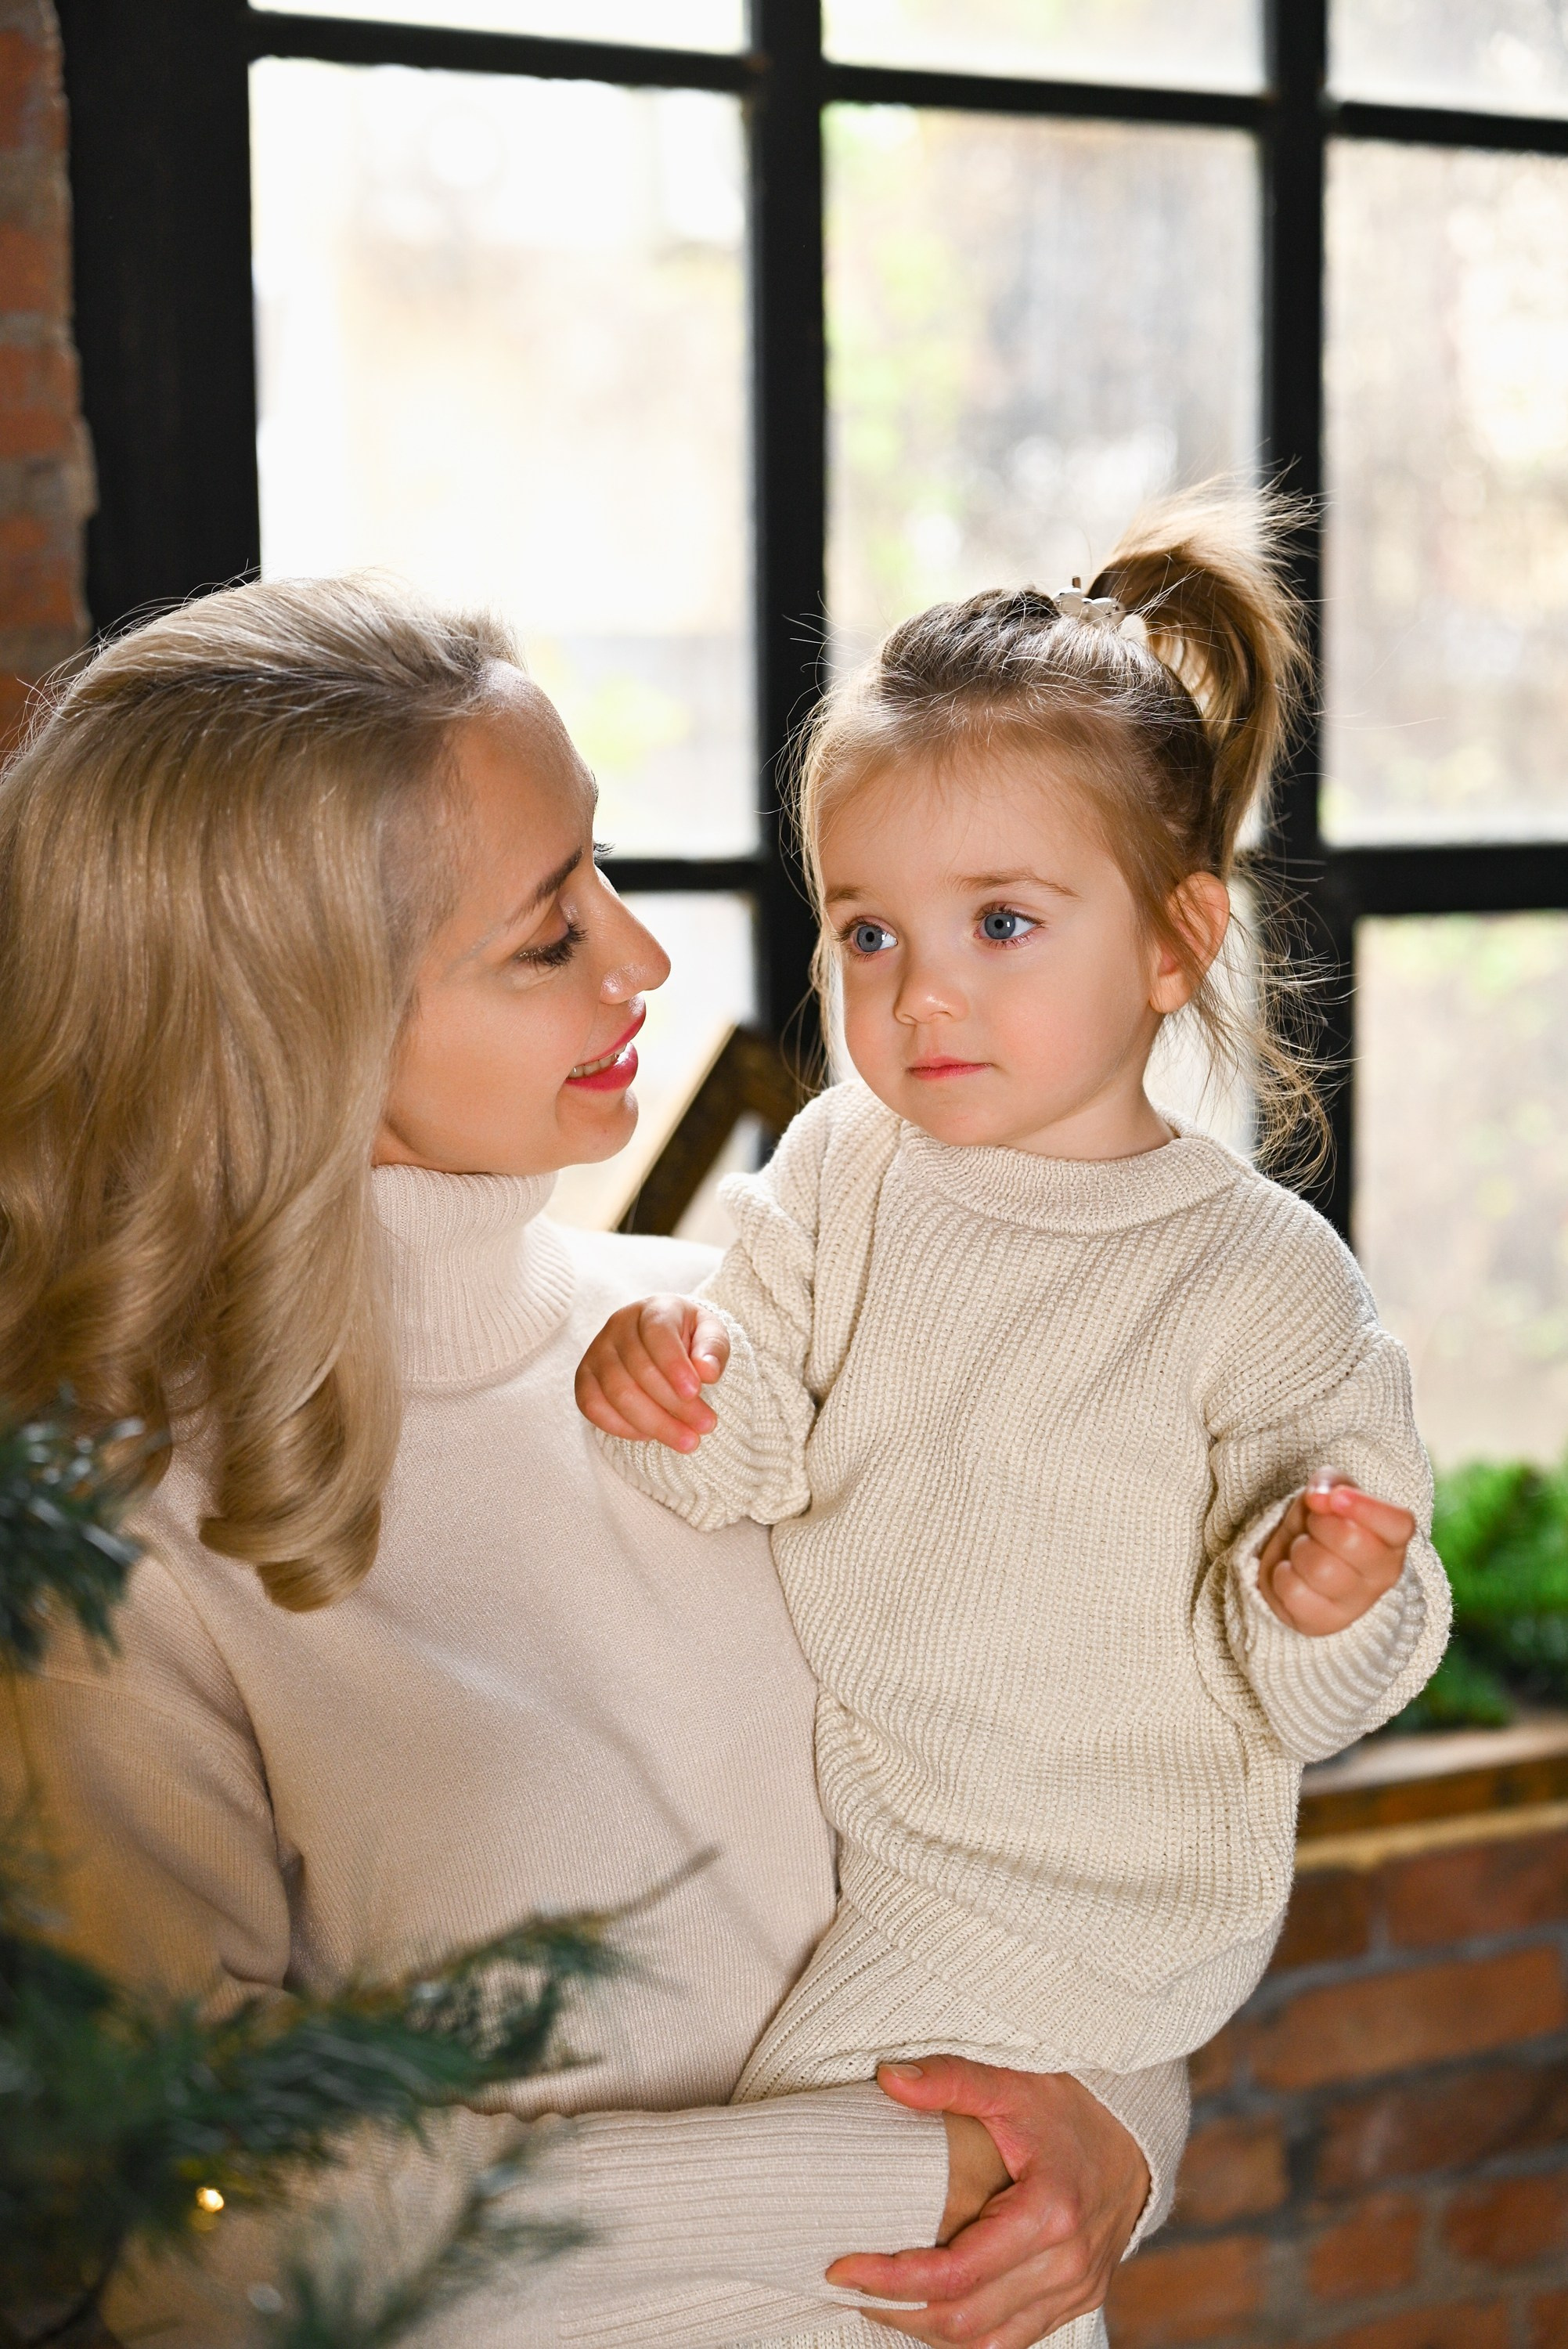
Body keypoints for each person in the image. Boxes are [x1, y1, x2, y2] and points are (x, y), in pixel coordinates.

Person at [0, 576, 1191, 2349]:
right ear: (297, 1020)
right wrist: (870, 2187)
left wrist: (1118, 2144)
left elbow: (1084, 1833)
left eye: (604, 875)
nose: (642, 959)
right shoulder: (112, 1553)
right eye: (548, 935)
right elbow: (177, 2218)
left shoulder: (764, 1344)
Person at [576, 495, 1453, 2347]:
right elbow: (760, 1455)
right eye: (870, 931)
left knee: (857, 2261)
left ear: (1171, 941)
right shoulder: (846, 1166)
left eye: (998, 922)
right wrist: (667, 1390)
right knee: (943, 2284)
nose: (923, 991)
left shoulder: (1261, 1277)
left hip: (1090, 1892)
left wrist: (1331, 1596)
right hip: (886, 1838)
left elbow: (1337, 1675)